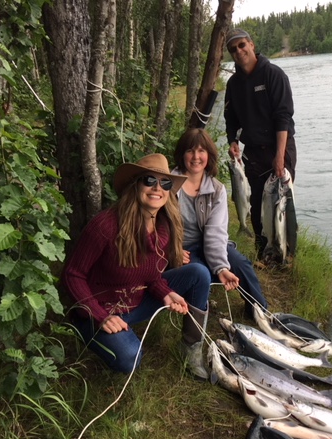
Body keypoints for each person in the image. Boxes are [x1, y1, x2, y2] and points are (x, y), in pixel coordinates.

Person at [62, 154, 212, 378]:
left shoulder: (164, 227)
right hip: (98, 311)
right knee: (131, 358)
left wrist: (165, 292)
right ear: (135, 185)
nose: (157, 188)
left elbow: (150, 276)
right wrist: (100, 315)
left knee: (199, 273)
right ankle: (94, 334)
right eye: (149, 180)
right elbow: (72, 275)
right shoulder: (106, 225)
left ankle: (191, 348)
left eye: (165, 183)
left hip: (136, 302)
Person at [172, 128, 268, 318]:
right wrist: (169, 248)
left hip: (210, 243)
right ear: (182, 154)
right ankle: (195, 326)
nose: (196, 157)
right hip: (181, 248)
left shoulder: (217, 189)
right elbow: (154, 223)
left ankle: (260, 313)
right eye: (190, 151)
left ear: (209, 155)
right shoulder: (168, 183)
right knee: (200, 273)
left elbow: (215, 233)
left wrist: (221, 267)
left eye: (201, 151)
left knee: (241, 264)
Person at [223, 28, 298, 261]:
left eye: (242, 45)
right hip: (253, 152)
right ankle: (264, 254)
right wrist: (233, 141)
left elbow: (283, 116)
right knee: (257, 204)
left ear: (252, 45)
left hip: (280, 146)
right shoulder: (233, 84)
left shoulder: (273, 74)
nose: (239, 51)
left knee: (281, 204)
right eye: (233, 49)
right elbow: (231, 119)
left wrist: (280, 155)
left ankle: (287, 255)